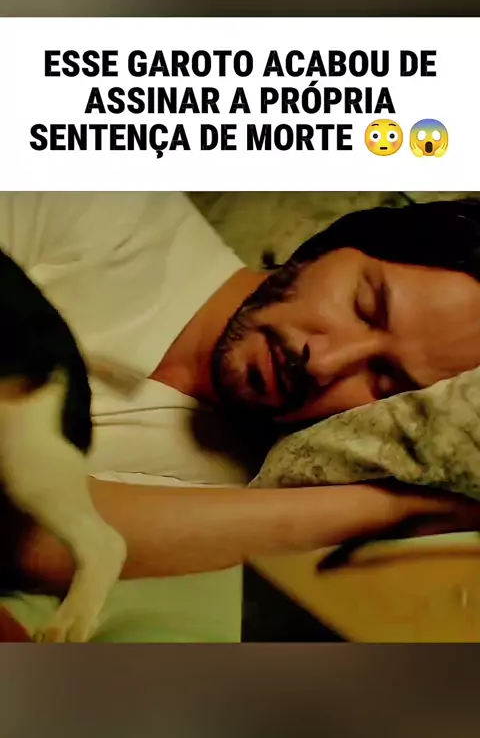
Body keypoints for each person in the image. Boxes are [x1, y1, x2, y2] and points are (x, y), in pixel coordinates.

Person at [3, 192, 480, 612]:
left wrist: (397, 507)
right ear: (336, 244)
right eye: (364, 304)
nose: (324, 361)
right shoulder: (106, 206)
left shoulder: (232, 496)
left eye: (385, 381)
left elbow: (35, 539)